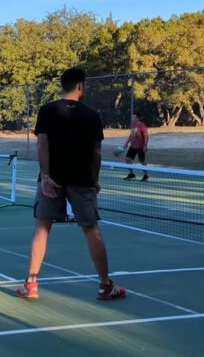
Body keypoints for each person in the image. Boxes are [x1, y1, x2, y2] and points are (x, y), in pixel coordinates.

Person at [16, 67, 126, 301]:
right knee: (91, 229)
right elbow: (96, 152)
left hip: (52, 179)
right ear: (80, 86)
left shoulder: (47, 111)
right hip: (82, 180)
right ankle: (105, 286)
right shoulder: (92, 115)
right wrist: (95, 179)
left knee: (42, 228)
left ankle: (31, 284)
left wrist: (46, 176)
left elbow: (42, 145)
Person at [123, 112, 149, 181]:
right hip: (133, 146)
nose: (132, 118)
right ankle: (132, 174)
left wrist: (145, 145)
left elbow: (146, 136)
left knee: (142, 161)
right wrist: (126, 143)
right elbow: (132, 135)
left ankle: (146, 176)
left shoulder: (142, 125)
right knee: (128, 159)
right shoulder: (132, 124)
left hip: (140, 147)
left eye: (133, 117)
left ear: (138, 118)